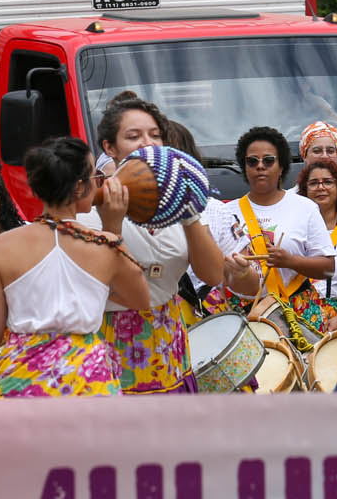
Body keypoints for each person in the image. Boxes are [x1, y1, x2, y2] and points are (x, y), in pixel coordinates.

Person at [82, 98, 244, 394]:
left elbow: (211, 275)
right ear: (109, 147)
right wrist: (113, 226)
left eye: (155, 135)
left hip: (169, 339)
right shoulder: (90, 210)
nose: (148, 143)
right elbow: (102, 284)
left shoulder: (175, 200)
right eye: (133, 136)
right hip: (112, 340)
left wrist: (190, 214)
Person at [0, 138, 147, 397]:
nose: (99, 182)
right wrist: (113, 225)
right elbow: (141, 299)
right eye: (94, 176)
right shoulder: (105, 245)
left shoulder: (3, 245)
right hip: (88, 381)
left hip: (23, 380)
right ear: (79, 187)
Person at [203, 128, 335, 341]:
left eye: (269, 160)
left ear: (281, 166)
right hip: (246, 316)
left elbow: (328, 269)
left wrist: (290, 261)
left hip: (298, 315)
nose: (260, 166)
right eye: (252, 161)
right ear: (244, 168)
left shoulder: (305, 207)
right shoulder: (226, 212)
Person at [296, 161, 337, 332]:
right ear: (304, 190)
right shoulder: (293, 233)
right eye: (313, 183)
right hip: (298, 323)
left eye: (327, 182)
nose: (320, 187)